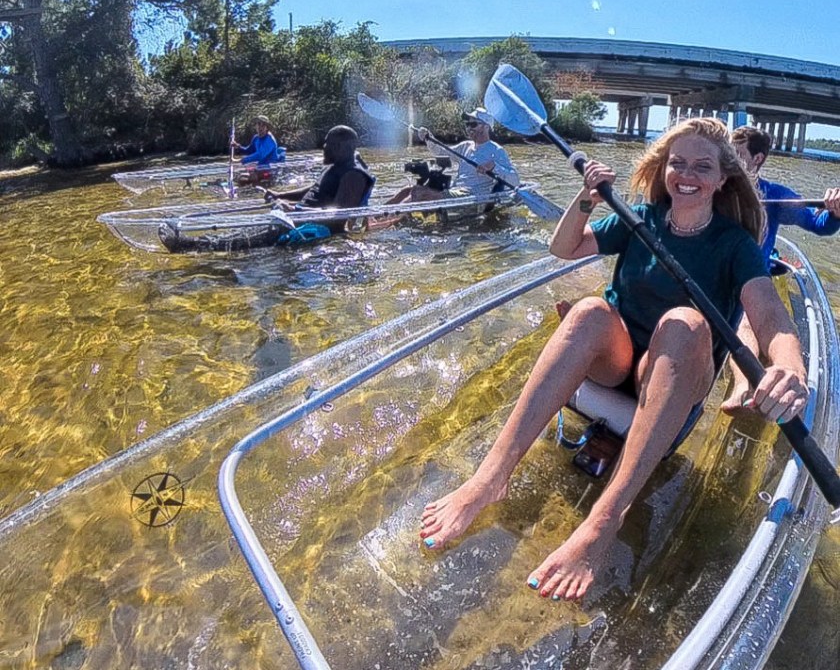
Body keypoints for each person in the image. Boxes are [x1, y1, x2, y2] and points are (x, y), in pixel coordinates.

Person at [419, 118, 808, 602]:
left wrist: (790, 368)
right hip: (617, 363)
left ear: (723, 178)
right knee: (587, 310)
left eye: (702, 166)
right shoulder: (640, 217)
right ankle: (489, 478)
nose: (687, 175)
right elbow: (563, 249)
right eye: (677, 163)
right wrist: (586, 200)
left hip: (672, 377)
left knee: (684, 322)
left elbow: (772, 319)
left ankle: (604, 521)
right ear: (663, 168)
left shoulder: (735, 245)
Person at [720, 125, 840, 412]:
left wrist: (835, 211)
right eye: (726, 154)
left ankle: (744, 387)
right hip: (712, 274)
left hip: (750, 281)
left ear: (757, 159)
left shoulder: (775, 196)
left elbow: (818, 224)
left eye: (736, 155)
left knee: (744, 321)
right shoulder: (713, 187)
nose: (728, 162)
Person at [387, 108, 519, 204]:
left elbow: (514, 179)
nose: (469, 128)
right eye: (467, 124)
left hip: (472, 196)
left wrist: (493, 166)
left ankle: (392, 219)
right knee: (408, 190)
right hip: (456, 190)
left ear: (486, 127)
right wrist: (428, 137)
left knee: (419, 192)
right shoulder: (465, 146)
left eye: (473, 124)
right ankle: (377, 215)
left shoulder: (496, 150)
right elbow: (441, 152)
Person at [266, 125, 375, 234]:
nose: (324, 147)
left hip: (313, 230)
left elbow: (338, 216)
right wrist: (280, 195)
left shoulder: (353, 176)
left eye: (328, 143)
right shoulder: (335, 167)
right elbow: (316, 187)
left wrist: (295, 210)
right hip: (298, 220)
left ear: (341, 147)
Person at [233, 115, 282, 184]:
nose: (260, 127)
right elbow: (249, 150)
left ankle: (257, 191)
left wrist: (242, 160)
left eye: (263, 125)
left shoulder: (269, 140)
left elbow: (259, 155)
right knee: (239, 177)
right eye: (258, 124)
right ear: (256, 126)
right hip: (260, 167)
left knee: (249, 178)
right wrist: (238, 147)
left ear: (267, 128)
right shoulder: (256, 138)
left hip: (270, 169)